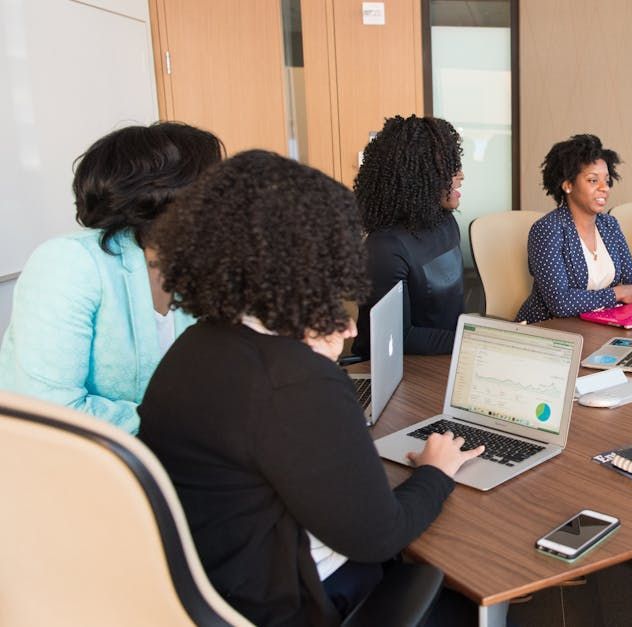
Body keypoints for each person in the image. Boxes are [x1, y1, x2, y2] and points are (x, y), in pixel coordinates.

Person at [138, 150, 484, 626]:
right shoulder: (292, 380)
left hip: (215, 590)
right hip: (297, 602)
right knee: (466, 599)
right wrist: (435, 471)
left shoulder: (193, 347)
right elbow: (380, 535)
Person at [0, 122, 223, 434]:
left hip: (166, 447)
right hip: (68, 454)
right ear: (164, 194)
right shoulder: (70, 261)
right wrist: (185, 422)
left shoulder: (195, 265)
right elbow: (51, 408)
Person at [352, 115, 466, 357]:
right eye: (448, 168)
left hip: (445, 355)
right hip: (396, 366)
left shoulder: (446, 222)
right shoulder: (385, 248)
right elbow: (398, 337)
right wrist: (471, 341)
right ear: (418, 176)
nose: (461, 175)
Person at [515, 134, 632, 323]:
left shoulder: (610, 225)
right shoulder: (547, 229)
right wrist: (616, 294)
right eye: (593, 180)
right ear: (568, 185)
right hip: (550, 330)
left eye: (607, 180)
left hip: (600, 325)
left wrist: (622, 296)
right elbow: (560, 303)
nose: (604, 188)